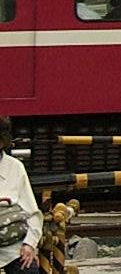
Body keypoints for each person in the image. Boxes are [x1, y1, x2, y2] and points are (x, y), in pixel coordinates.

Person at [0, 116, 41, 272]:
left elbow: (32, 213)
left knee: (28, 269)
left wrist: (29, 244)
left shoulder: (15, 167)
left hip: (11, 246)